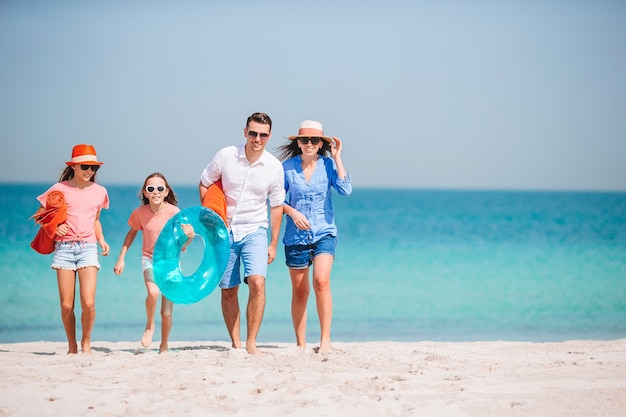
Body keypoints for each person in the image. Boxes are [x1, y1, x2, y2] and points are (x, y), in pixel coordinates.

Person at [199, 112, 285, 354]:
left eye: (263, 135)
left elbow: (276, 206)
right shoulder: (226, 156)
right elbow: (205, 182)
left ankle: (251, 342)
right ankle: (236, 343)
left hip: (255, 229)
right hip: (224, 232)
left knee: (257, 282)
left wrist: (274, 243)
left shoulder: (274, 167)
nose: (257, 139)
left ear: (268, 136)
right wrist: (209, 218)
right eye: (253, 133)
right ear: (245, 132)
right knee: (228, 289)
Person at [276, 120, 352, 353]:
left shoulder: (329, 165)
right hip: (295, 237)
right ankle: (300, 344)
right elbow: (275, 199)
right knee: (300, 292)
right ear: (298, 142)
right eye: (304, 139)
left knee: (321, 281)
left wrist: (338, 157)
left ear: (321, 144)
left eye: (314, 140)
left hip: (324, 232)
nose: (309, 143)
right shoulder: (286, 168)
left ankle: (325, 340)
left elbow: (345, 189)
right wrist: (292, 211)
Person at [34, 144, 110, 354]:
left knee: (88, 302)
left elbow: (95, 220)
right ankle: (72, 346)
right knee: (67, 305)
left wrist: (102, 240)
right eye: (85, 166)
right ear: (74, 166)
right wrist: (55, 227)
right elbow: (40, 215)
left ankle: (86, 341)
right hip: (64, 250)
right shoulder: (59, 189)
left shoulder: (100, 192)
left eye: (94, 168)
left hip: (88, 248)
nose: (90, 172)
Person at [113, 172, 194, 353]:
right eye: (151, 189)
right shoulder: (140, 213)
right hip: (149, 259)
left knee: (166, 313)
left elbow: (183, 241)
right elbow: (131, 233)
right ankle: (150, 325)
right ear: (145, 192)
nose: (155, 192)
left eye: (160, 188)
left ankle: (164, 345)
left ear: (166, 192)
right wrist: (121, 258)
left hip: (171, 262)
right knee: (153, 292)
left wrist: (190, 237)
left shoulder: (174, 212)